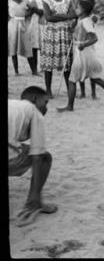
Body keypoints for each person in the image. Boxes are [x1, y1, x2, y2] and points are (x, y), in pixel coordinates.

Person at [56, 0, 104, 112]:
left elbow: (94, 38)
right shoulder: (82, 20)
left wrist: (83, 44)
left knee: (72, 80)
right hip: (83, 52)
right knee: (96, 78)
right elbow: (76, 34)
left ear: (84, 10)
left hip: (84, 53)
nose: (76, 9)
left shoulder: (86, 21)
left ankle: (70, 106)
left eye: (78, 7)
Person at [9, 86, 58, 227]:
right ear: (35, 99)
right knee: (45, 157)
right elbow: (37, 155)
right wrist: (36, 194)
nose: (46, 108)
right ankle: (34, 203)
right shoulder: (33, 111)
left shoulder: (12, 105)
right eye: (45, 102)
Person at [40, 0, 78, 98]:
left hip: (65, 34)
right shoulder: (46, 0)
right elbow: (48, 18)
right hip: (51, 34)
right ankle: (48, 90)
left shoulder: (68, 0)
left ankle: (68, 89)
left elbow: (74, 14)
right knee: (49, 63)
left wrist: (58, 15)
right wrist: (66, 16)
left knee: (67, 63)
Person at [73, 0, 97, 99]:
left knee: (91, 71)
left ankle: (93, 92)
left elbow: (94, 37)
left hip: (86, 46)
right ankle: (82, 92)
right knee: (80, 69)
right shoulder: (78, 3)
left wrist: (84, 44)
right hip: (79, 45)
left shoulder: (89, 2)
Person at [8, 0, 36, 75]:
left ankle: (34, 71)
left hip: (23, 25)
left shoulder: (25, 1)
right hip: (12, 25)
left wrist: (27, 15)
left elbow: (32, 8)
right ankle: (16, 71)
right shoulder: (9, 2)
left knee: (27, 47)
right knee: (13, 47)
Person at [27, 0, 48, 76]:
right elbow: (30, 7)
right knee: (34, 45)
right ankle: (34, 69)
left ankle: (43, 67)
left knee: (44, 45)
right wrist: (38, 10)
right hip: (35, 21)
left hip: (45, 21)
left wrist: (44, 12)